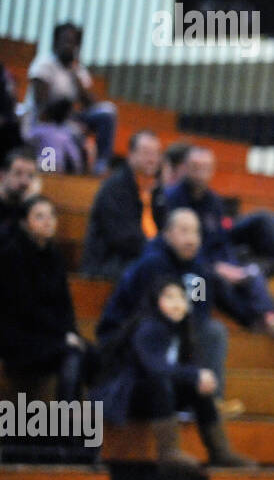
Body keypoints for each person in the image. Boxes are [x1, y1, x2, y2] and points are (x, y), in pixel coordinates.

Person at [92, 276, 255, 473]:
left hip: (161, 399)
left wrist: (199, 378)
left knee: (197, 388)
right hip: (128, 398)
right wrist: (195, 375)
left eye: (181, 298)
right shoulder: (148, 327)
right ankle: (168, 452)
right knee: (162, 381)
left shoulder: (183, 330)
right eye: (169, 297)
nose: (177, 304)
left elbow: (186, 368)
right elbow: (155, 367)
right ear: (156, 300)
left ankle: (220, 451)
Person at [157, 146, 274, 339]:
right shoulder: (170, 198)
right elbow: (173, 246)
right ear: (185, 167)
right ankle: (256, 320)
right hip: (186, 268)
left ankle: (270, 317)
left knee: (251, 273)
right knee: (211, 281)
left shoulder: (214, 201)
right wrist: (216, 267)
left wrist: (232, 267)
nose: (200, 173)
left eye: (205, 168)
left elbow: (221, 241)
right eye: (195, 167)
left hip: (213, 262)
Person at [97, 208, 231, 399]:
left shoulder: (199, 273)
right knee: (155, 330)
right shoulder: (151, 265)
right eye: (184, 231)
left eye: (196, 232)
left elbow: (201, 312)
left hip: (176, 332)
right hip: (134, 333)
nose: (191, 239)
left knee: (212, 331)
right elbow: (139, 313)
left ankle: (210, 399)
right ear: (167, 234)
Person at [0, 196, 87, 400]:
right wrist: (63, 336)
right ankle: (65, 426)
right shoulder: (11, 255)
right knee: (72, 355)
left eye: (51, 215)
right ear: (24, 222)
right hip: (19, 336)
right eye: (40, 216)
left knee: (89, 355)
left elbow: (65, 303)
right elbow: (24, 307)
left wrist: (71, 331)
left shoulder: (55, 255)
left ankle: (67, 423)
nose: (48, 221)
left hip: (49, 336)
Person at [25, 22, 116, 174]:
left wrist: (74, 75)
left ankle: (102, 164)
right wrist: (68, 114)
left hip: (70, 119)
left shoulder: (78, 70)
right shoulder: (43, 65)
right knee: (66, 139)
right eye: (65, 41)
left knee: (107, 112)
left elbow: (91, 104)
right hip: (45, 122)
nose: (69, 46)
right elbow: (42, 107)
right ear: (56, 42)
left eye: (73, 42)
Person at [81, 129, 163, 280]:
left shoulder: (158, 190)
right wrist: (159, 251)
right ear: (131, 155)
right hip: (110, 262)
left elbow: (165, 227)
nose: (152, 159)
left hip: (147, 256)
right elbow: (123, 238)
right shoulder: (115, 188)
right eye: (146, 153)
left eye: (156, 153)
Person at [0, 145, 41, 233]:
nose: (24, 181)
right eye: (18, 173)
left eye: (30, 175)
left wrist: (31, 204)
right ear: (2, 176)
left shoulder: (29, 207)